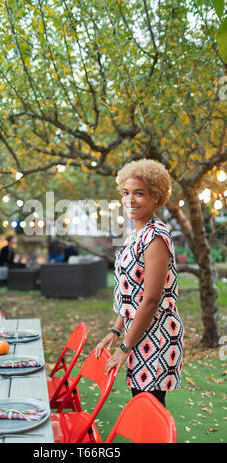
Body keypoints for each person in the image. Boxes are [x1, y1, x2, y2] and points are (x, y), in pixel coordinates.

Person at [95, 159, 184, 408]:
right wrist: (115, 331)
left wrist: (125, 347)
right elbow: (130, 292)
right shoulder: (136, 233)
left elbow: (151, 299)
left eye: (139, 193)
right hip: (138, 331)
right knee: (143, 403)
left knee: (149, 406)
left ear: (156, 197)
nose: (129, 200)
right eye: (126, 193)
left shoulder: (155, 236)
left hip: (156, 334)